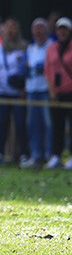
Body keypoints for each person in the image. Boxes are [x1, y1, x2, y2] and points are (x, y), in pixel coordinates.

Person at [0, 18, 30, 166]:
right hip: (2, 92)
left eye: (13, 27)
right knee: (2, 123)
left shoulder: (24, 47)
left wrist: (24, 88)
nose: (10, 30)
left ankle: (23, 154)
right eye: (8, 27)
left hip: (18, 93)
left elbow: (28, 70)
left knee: (20, 123)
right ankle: (0, 154)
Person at [22, 17, 52, 168]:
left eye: (41, 28)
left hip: (46, 90)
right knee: (33, 124)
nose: (38, 32)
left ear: (46, 31)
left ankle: (51, 155)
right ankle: (36, 155)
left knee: (49, 124)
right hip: (32, 90)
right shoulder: (30, 48)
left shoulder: (52, 47)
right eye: (36, 28)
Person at [43, 16, 72, 168]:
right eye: (60, 29)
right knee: (57, 125)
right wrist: (51, 91)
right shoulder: (51, 48)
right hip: (56, 93)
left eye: (65, 29)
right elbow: (47, 70)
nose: (62, 32)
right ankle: (56, 155)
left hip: (70, 92)